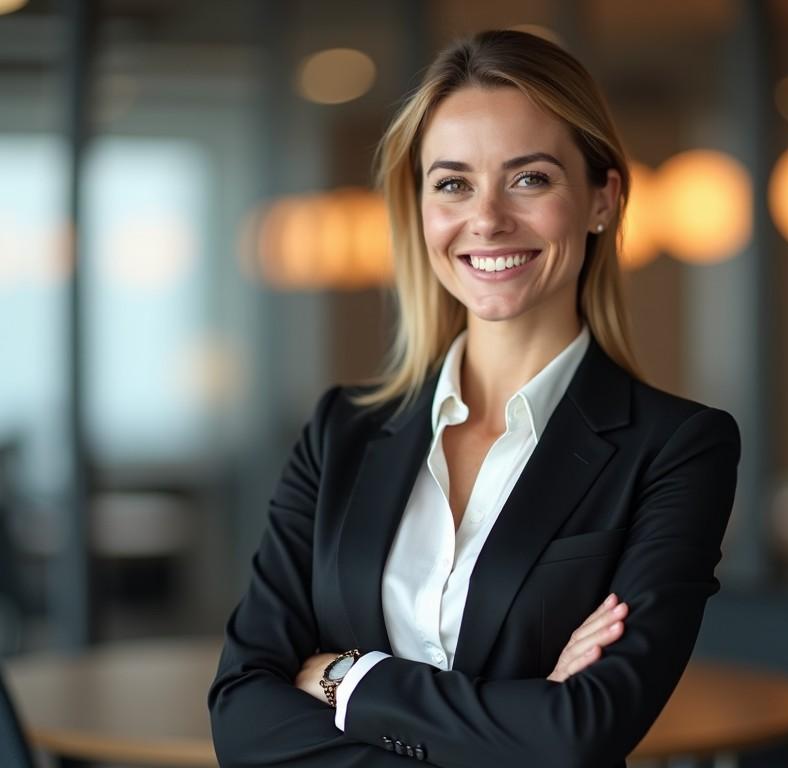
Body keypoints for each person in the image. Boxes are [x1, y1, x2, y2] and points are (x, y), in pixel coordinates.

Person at [209, 28, 740, 768]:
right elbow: (241, 715)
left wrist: (345, 678)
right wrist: (520, 721)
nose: (486, 220)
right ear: (419, 207)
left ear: (602, 200)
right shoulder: (341, 433)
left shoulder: (677, 449)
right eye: (453, 183)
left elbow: (582, 731)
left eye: (530, 179)